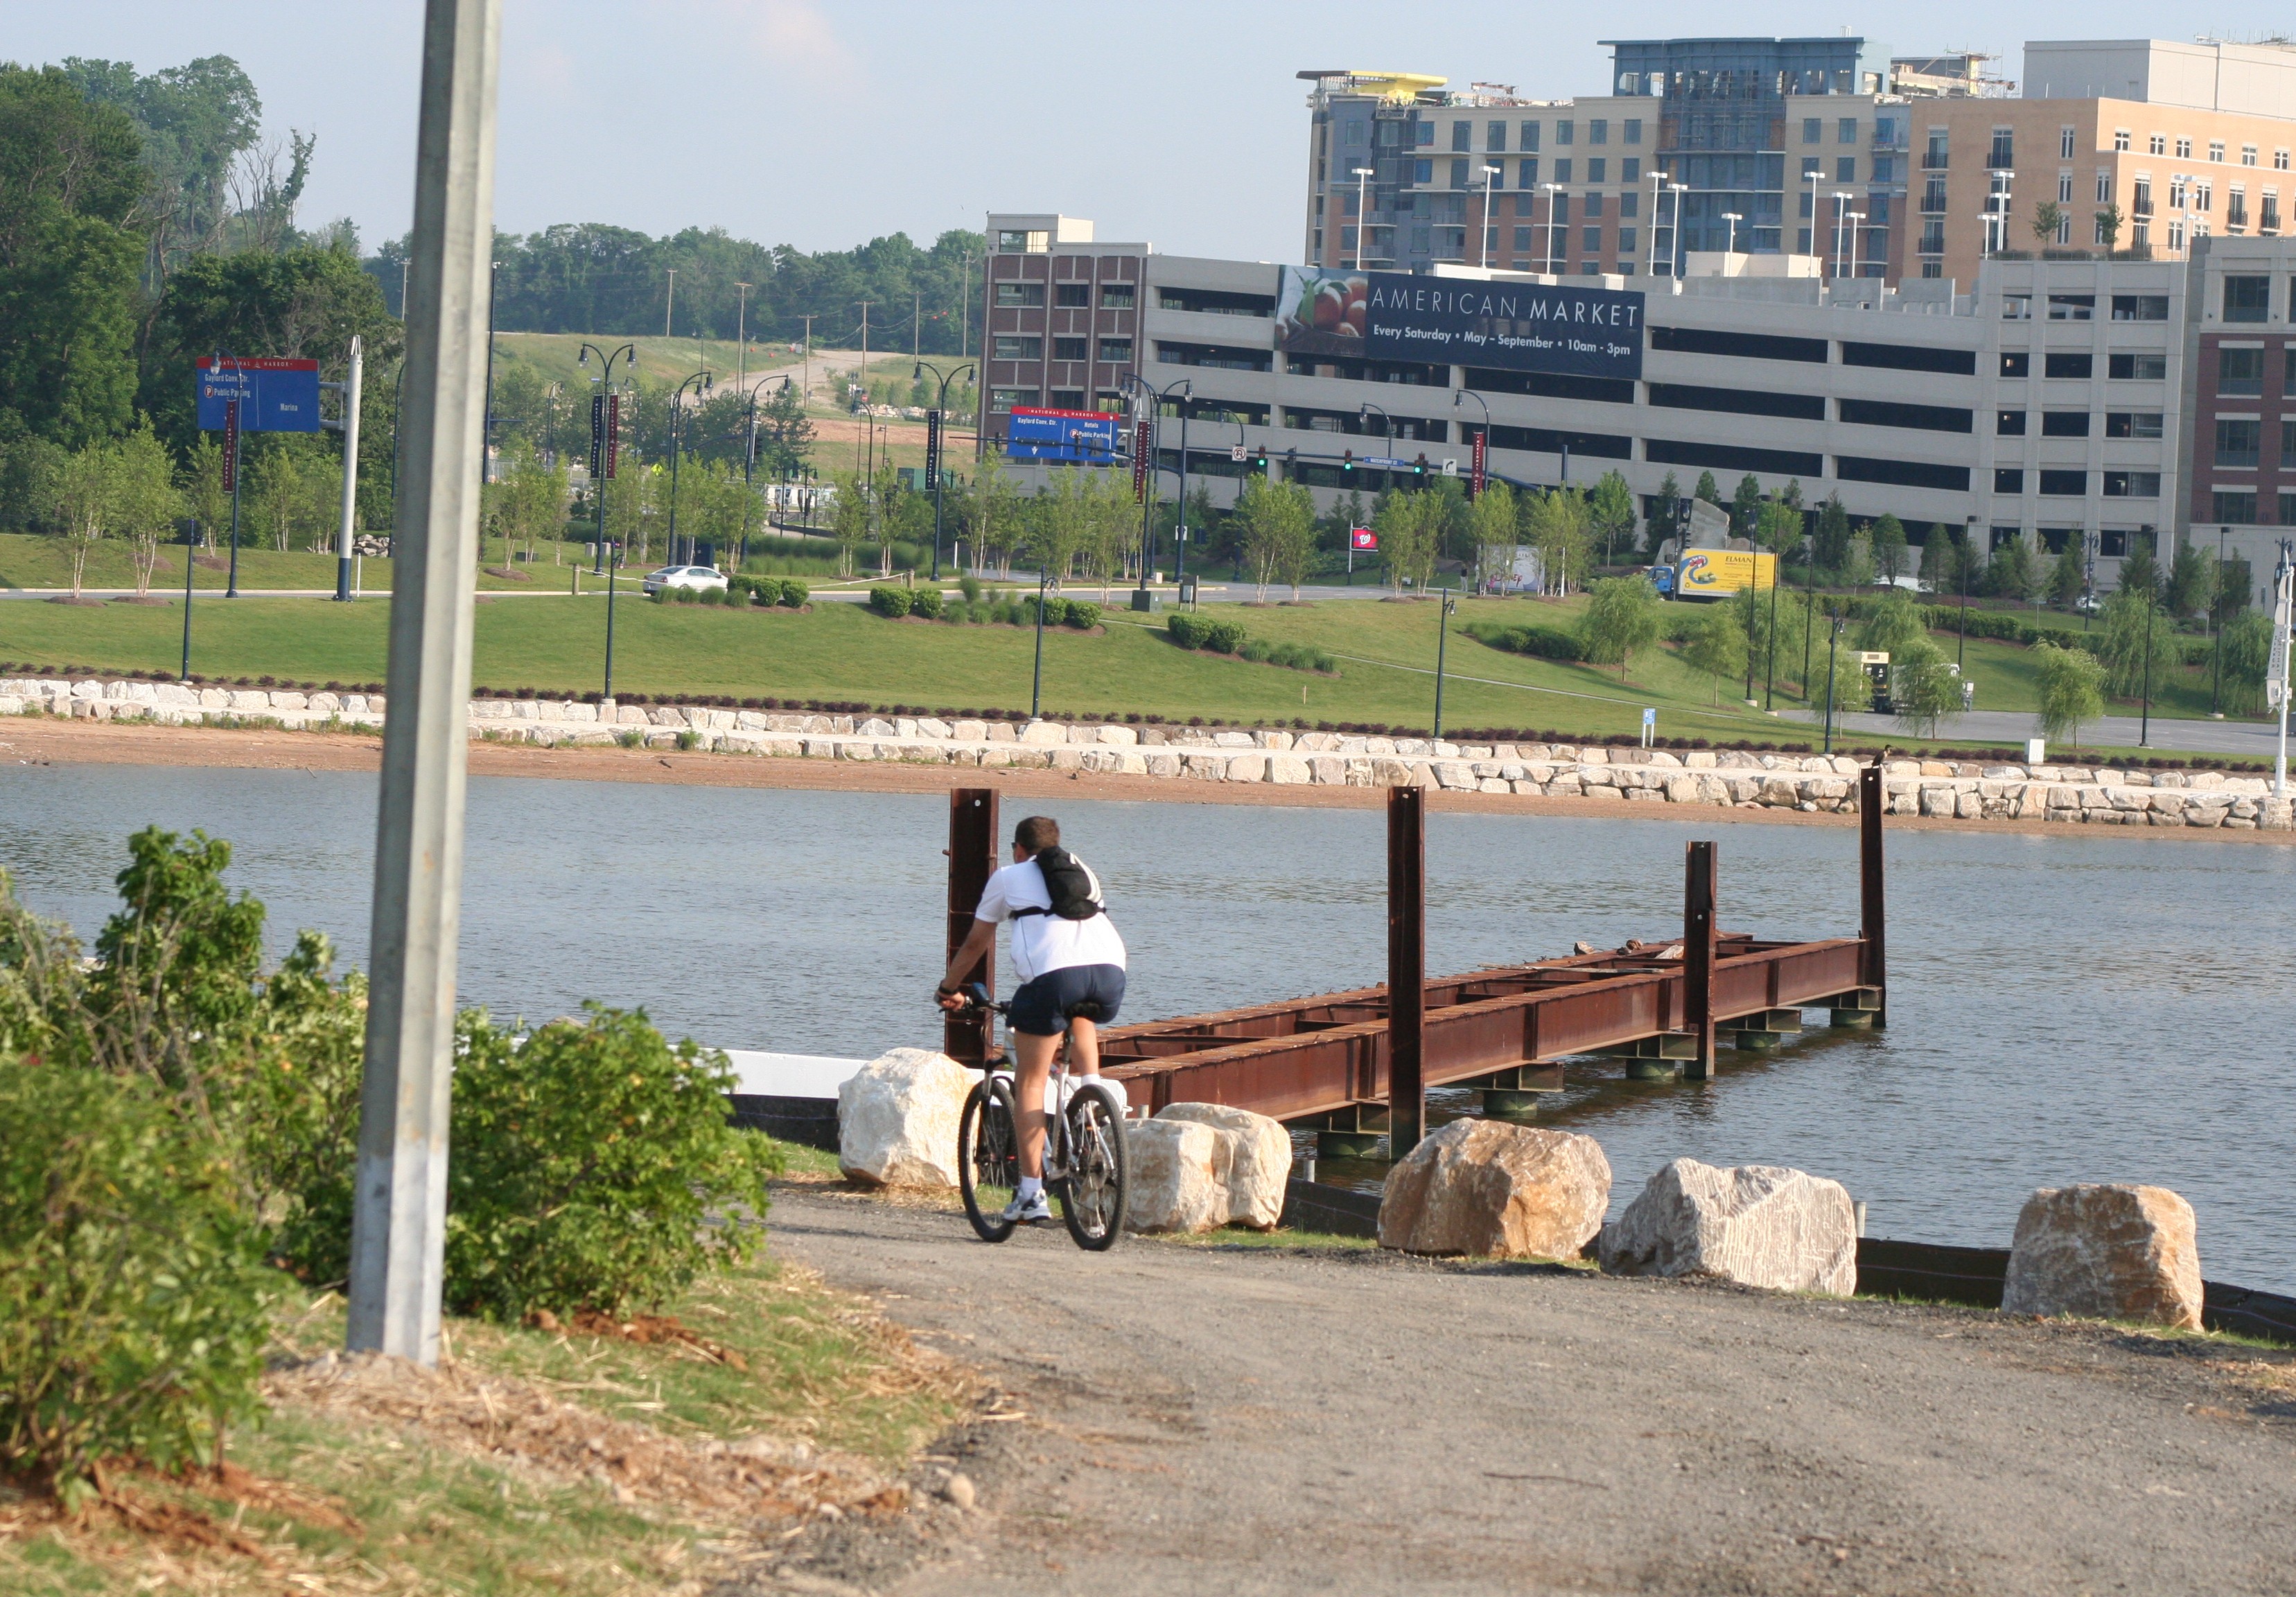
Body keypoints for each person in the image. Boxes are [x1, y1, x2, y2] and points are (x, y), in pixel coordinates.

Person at [937, 814, 1126, 1224]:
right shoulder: (1084, 871)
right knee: (1080, 1013)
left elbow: (975, 943)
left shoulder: (1008, 877)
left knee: (1031, 1081)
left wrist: (949, 987)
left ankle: (1030, 1194)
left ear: (1018, 850)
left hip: (1054, 980)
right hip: (1111, 974)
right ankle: (1093, 1100)